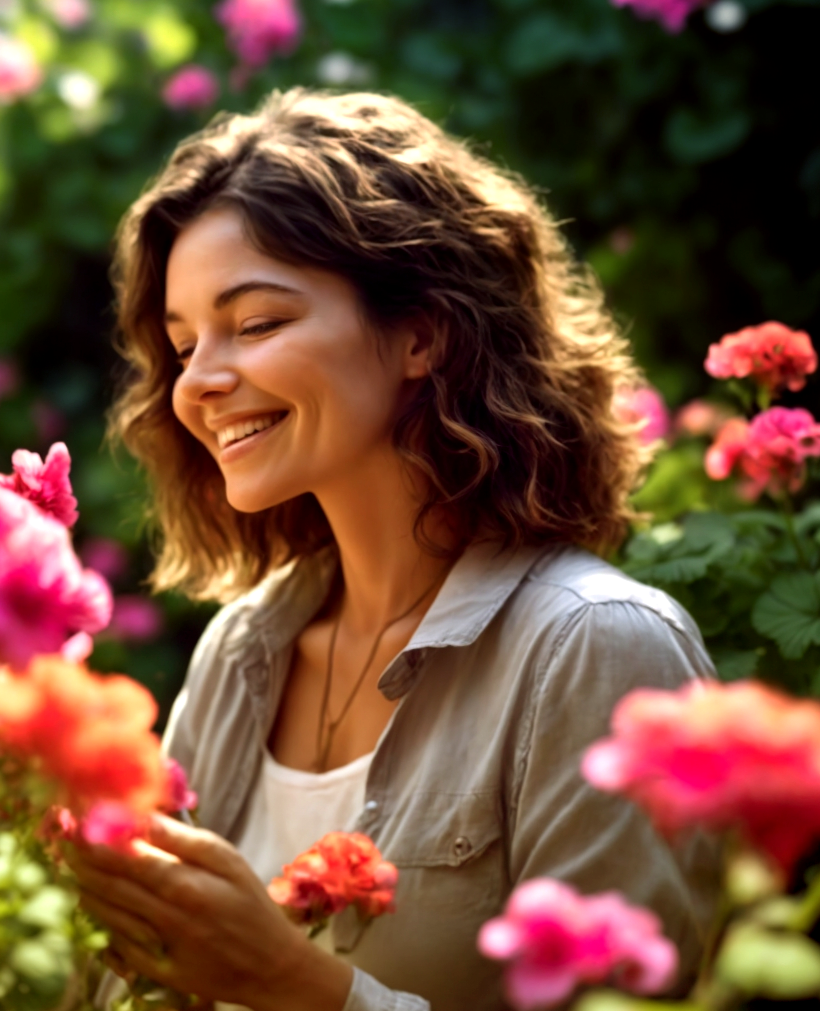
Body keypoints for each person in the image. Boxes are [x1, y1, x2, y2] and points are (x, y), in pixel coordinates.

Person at [69, 89, 720, 1011]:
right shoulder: (241, 651)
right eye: (181, 347)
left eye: (255, 323)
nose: (200, 383)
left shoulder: (596, 648)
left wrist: (298, 985)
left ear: (422, 331)